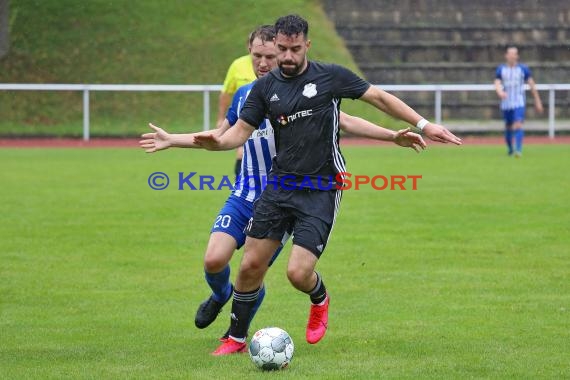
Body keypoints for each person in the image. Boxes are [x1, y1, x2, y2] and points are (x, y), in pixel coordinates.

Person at [139, 24, 427, 344]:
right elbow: (223, 134)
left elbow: (345, 119)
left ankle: (253, 323)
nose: (264, 62)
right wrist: (175, 140)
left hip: (297, 188)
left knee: (278, 271)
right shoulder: (250, 95)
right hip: (249, 189)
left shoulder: (312, 85)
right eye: (258, 56)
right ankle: (226, 308)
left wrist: (393, 135)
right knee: (218, 260)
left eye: (271, 56)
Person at [193, 14, 462, 356]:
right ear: (275, 45)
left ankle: (319, 297)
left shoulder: (330, 77)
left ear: (307, 45)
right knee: (249, 266)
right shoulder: (265, 88)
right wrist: (213, 143)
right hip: (279, 186)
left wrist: (423, 124)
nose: (287, 56)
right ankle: (236, 337)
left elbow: (378, 98)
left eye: (294, 49)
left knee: (297, 273)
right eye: (281, 49)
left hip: (321, 187)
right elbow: (238, 134)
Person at [216, 34, 257, 178]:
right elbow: (226, 92)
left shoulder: (273, 63)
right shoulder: (238, 65)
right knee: (242, 153)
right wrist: (221, 118)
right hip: (244, 119)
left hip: (268, 119)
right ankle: (242, 186)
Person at [494, 45, 543, 157]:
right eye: (510, 54)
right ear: (506, 56)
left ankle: (518, 150)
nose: (512, 56)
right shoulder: (501, 69)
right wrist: (500, 92)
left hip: (518, 102)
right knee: (508, 126)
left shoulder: (523, 69)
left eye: (514, 54)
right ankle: (510, 149)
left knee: (518, 124)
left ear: (517, 56)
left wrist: (537, 100)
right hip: (506, 103)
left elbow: (531, 84)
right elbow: (496, 83)